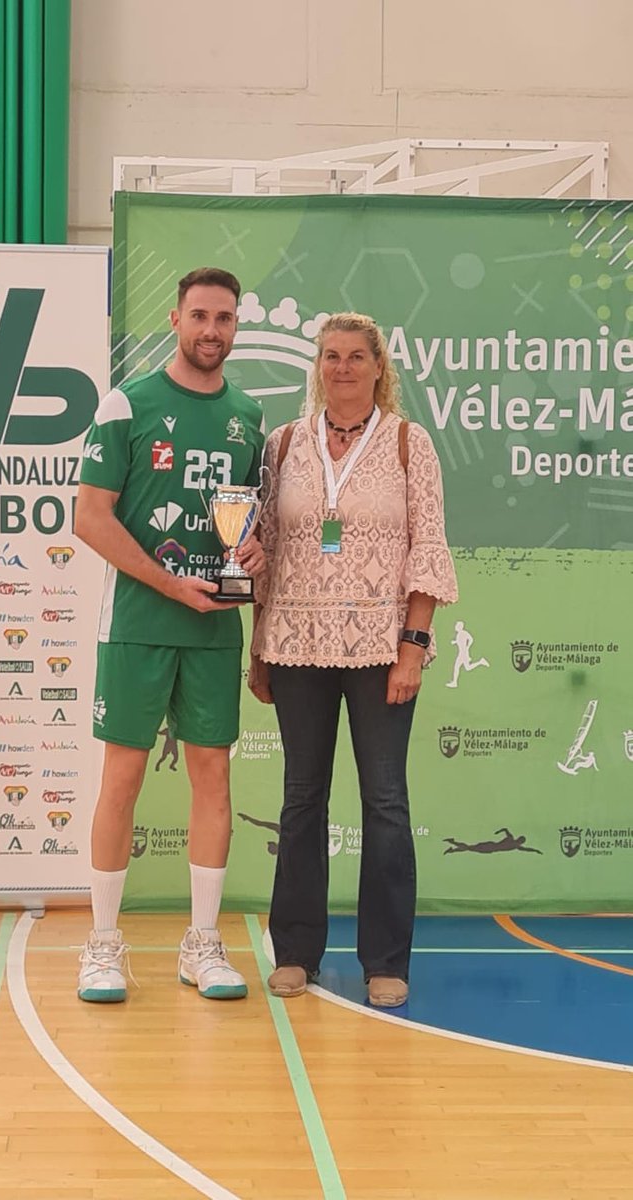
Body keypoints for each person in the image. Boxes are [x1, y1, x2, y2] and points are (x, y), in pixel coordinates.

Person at [248, 312, 458, 1007]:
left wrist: (413, 647)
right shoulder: (283, 444)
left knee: (386, 802)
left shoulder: (407, 442)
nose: (341, 367)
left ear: (378, 367)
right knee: (301, 798)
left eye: (355, 356)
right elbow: (266, 549)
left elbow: (428, 546)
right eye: (330, 356)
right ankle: (295, 951)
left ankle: (386, 960)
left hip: (380, 649)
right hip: (295, 645)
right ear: (318, 366)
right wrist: (259, 646)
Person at [74, 266, 265, 1003]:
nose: (211, 330)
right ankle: (102, 946)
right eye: (200, 315)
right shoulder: (128, 403)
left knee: (213, 776)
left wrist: (252, 552)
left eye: (224, 318)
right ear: (175, 318)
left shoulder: (249, 415)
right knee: (122, 777)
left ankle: (203, 944)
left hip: (214, 627)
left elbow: (244, 522)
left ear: (236, 325)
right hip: (138, 624)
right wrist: (166, 583)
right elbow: (90, 518)